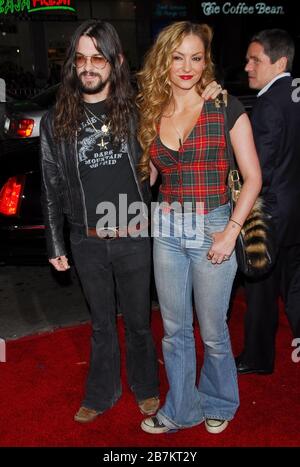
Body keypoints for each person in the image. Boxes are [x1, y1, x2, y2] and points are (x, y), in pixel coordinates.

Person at [137, 21, 262, 434]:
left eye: (196, 57)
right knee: (174, 330)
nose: (187, 66)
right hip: (167, 228)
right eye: (178, 57)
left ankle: (220, 400)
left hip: (213, 225)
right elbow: (151, 176)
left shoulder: (223, 105)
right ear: (164, 61)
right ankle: (182, 408)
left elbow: (253, 177)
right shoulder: (152, 111)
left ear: (205, 61)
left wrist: (231, 230)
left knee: (211, 329)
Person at [40, 19, 161, 423]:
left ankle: (145, 387)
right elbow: (50, 185)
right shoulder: (56, 120)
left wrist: (212, 92)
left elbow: (183, 110)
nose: (88, 67)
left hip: (133, 235)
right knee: (101, 325)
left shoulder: (139, 110)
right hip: (86, 238)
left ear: (117, 61)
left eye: (97, 58)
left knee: (140, 324)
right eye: (81, 59)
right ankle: (101, 392)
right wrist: (55, 244)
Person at [235, 29, 300, 375]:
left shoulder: (268, 104)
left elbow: (259, 170)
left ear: (280, 62)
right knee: (295, 283)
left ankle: (257, 359)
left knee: (260, 291)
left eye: (255, 60)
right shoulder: (295, 93)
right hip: (296, 210)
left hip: (271, 213)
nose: (247, 66)